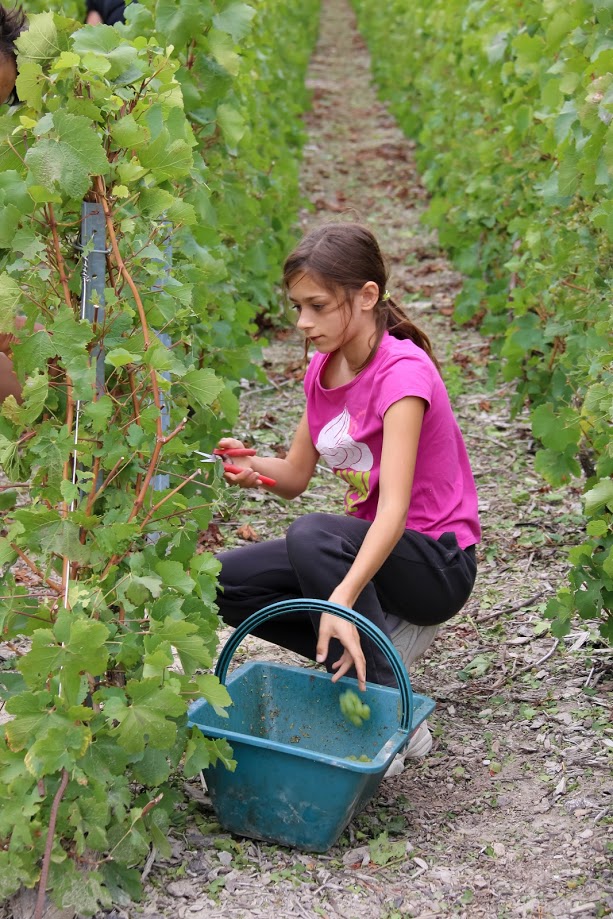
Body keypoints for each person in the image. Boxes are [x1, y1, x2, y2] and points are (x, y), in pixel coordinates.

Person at [215, 222, 480, 771]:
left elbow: (394, 511)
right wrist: (250, 468)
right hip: (370, 552)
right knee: (218, 581)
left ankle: (392, 715)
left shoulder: (403, 376)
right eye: (296, 307)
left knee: (312, 536)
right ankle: (370, 649)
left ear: (366, 297)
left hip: (434, 562)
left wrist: (341, 597)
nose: (302, 323)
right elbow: (293, 476)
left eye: (316, 306)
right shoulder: (322, 368)